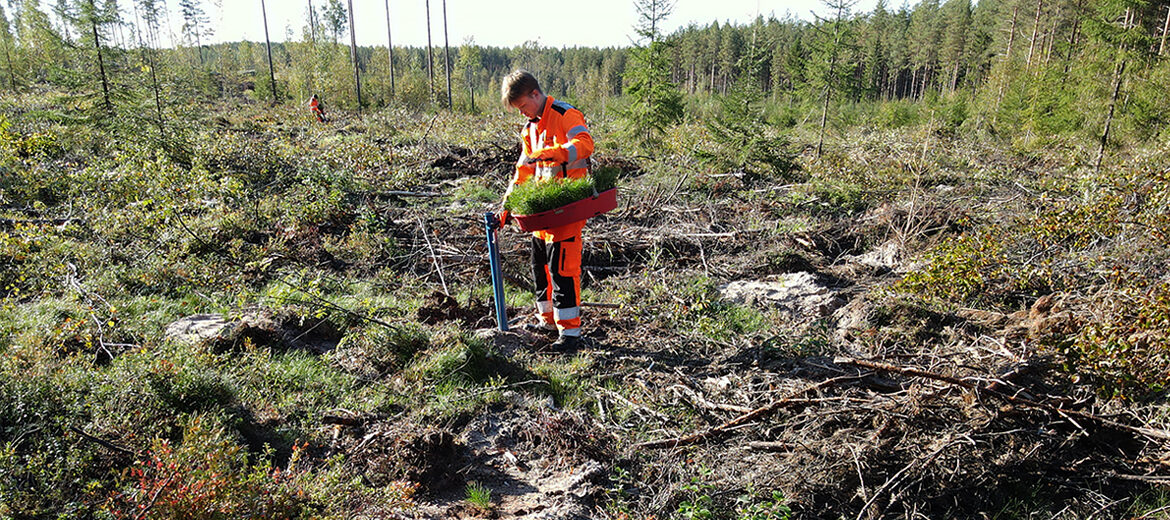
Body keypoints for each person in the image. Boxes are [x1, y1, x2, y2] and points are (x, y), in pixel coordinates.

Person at [499, 70, 594, 350]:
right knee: (541, 270)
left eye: (523, 107)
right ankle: (548, 321)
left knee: (563, 270)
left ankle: (570, 334)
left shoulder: (565, 114)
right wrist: (507, 207)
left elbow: (584, 145)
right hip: (542, 216)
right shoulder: (530, 128)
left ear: (535, 94)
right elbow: (523, 172)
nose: (522, 114)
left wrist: (557, 151)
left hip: (567, 211)